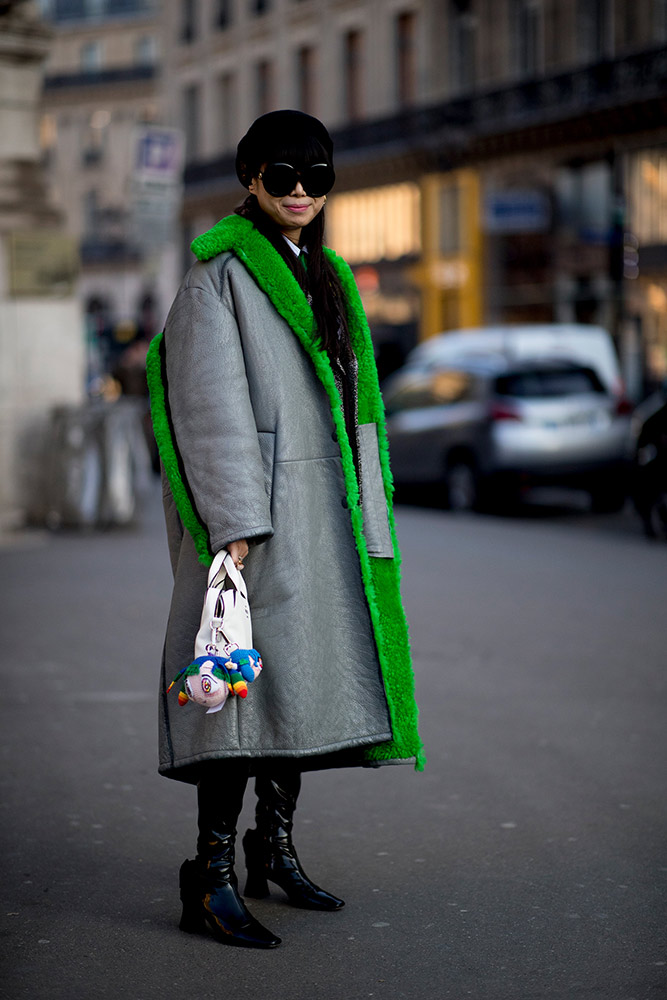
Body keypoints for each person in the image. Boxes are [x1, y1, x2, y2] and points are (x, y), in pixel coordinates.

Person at [147, 110, 423, 950]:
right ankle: (211, 873)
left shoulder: (329, 273)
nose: (300, 189)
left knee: (295, 691)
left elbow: (354, 411)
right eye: (282, 174)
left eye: (317, 174)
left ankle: (273, 847)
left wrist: (369, 516)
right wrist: (231, 527)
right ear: (249, 177)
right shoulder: (217, 278)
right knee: (236, 696)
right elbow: (208, 410)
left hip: (321, 518)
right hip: (255, 525)